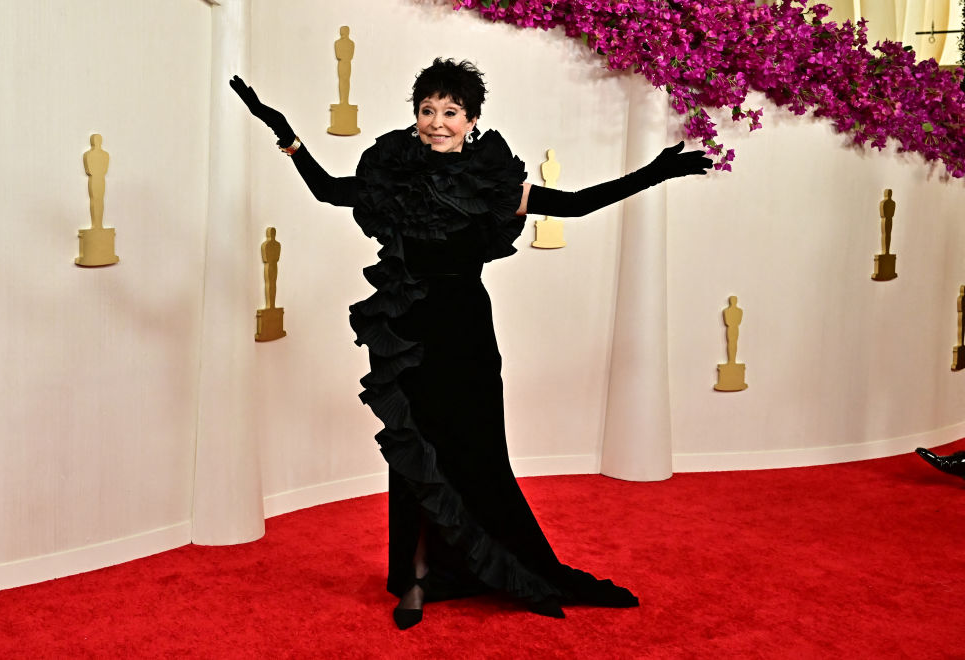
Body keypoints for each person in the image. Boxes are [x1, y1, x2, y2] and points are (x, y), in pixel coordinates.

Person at [231, 58, 711, 630]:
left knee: (480, 456)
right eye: (427, 110)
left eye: (450, 112)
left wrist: (653, 172)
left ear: (472, 120)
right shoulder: (393, 175)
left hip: (466, 335)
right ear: (415, 116)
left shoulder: (491, 184)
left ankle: (510, 566)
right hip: (409, 334)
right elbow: (329, 191)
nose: (437, 122)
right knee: (417, 459)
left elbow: (577, 203)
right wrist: (284, 133)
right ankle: (416, 580)